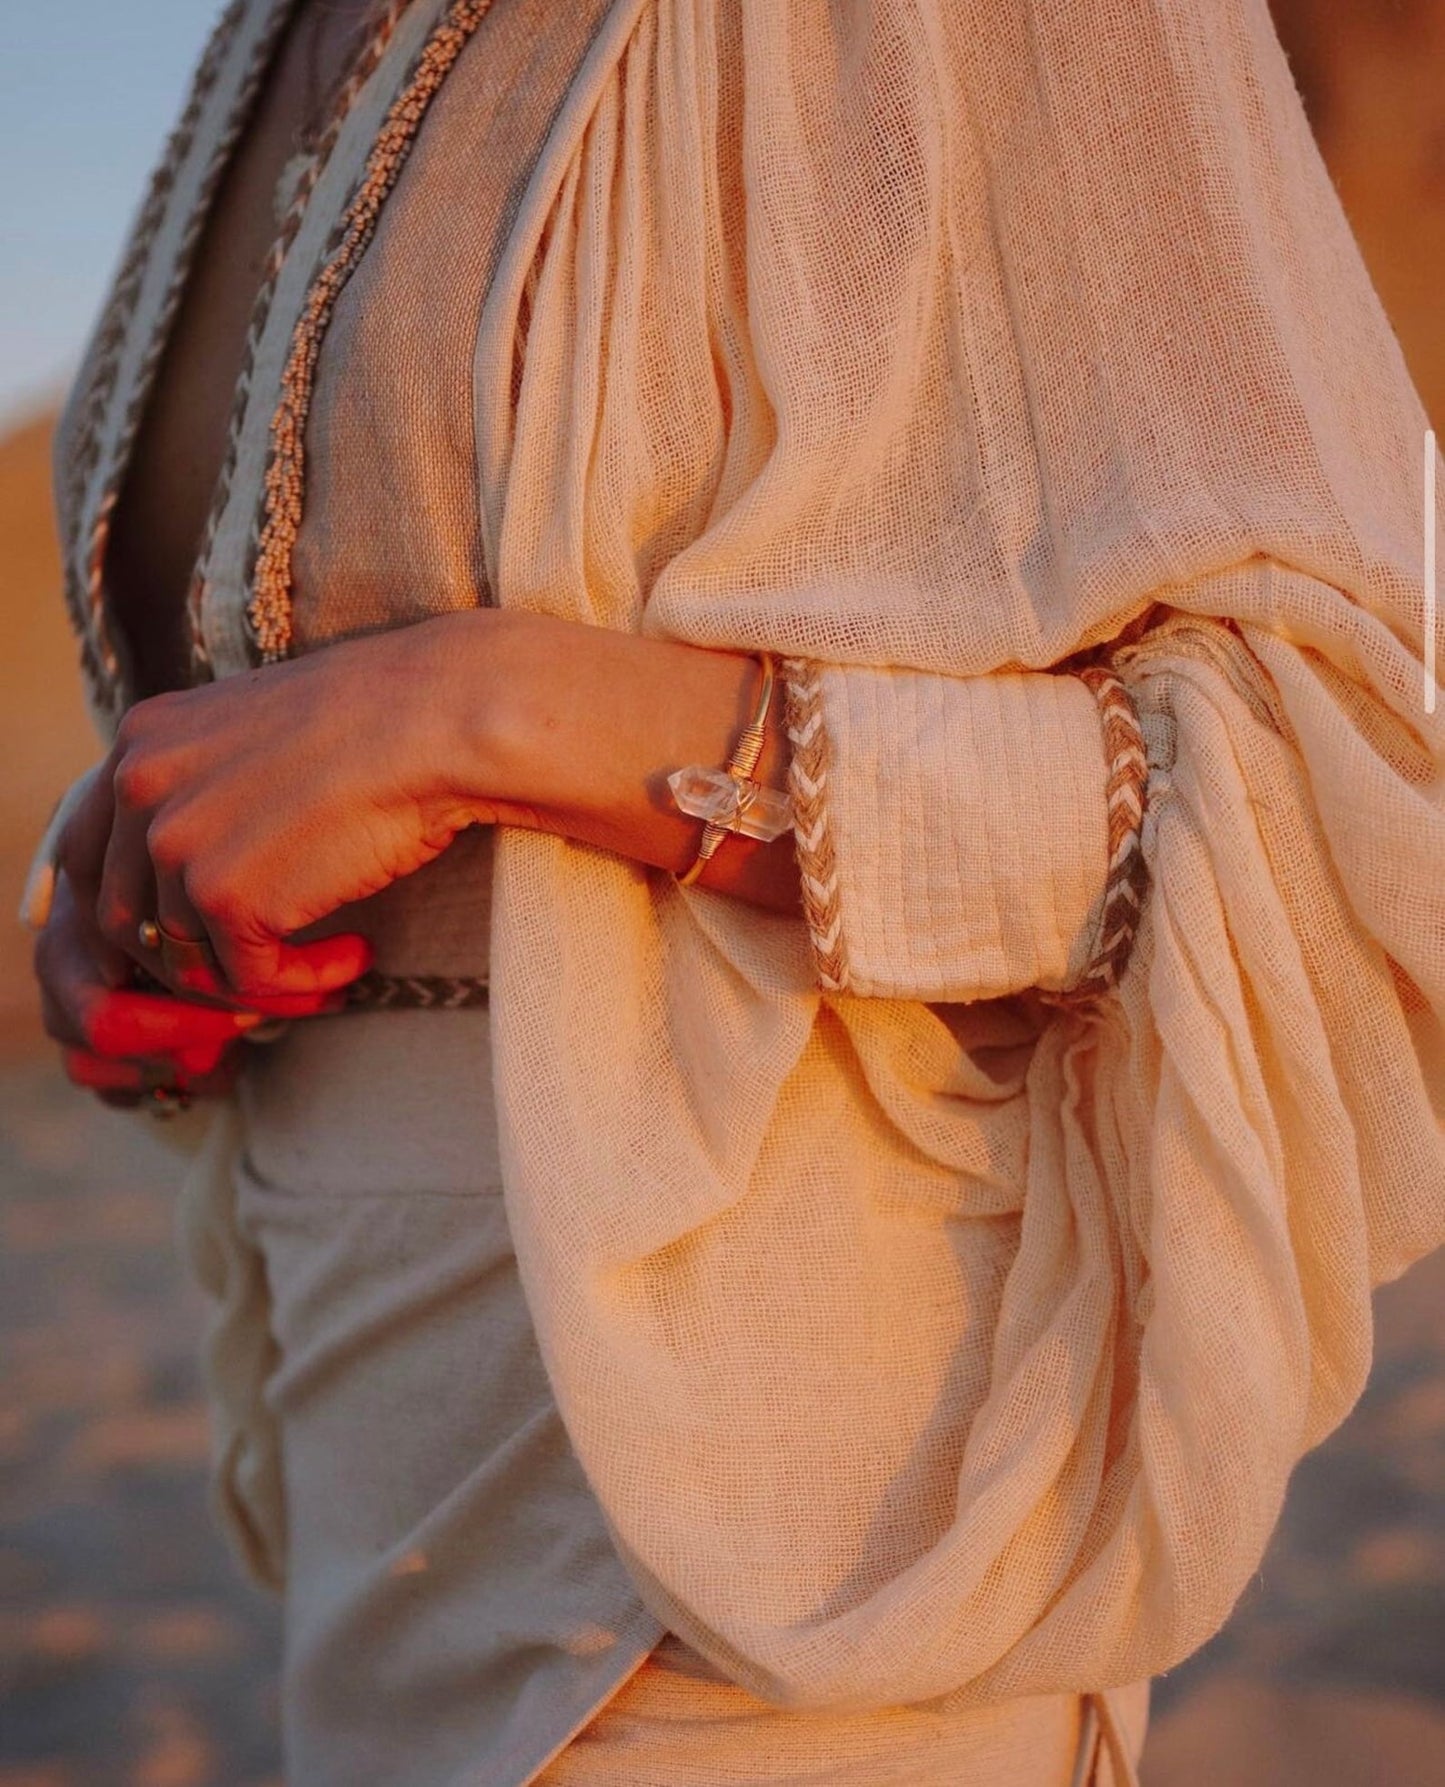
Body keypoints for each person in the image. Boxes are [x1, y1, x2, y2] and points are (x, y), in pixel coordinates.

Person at [25, 1, 1445, 1782]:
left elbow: (1347, 826)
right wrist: (147, 867)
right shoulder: (259, 39)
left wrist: (486, 717)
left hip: (780, 1542)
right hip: (360, 1491)